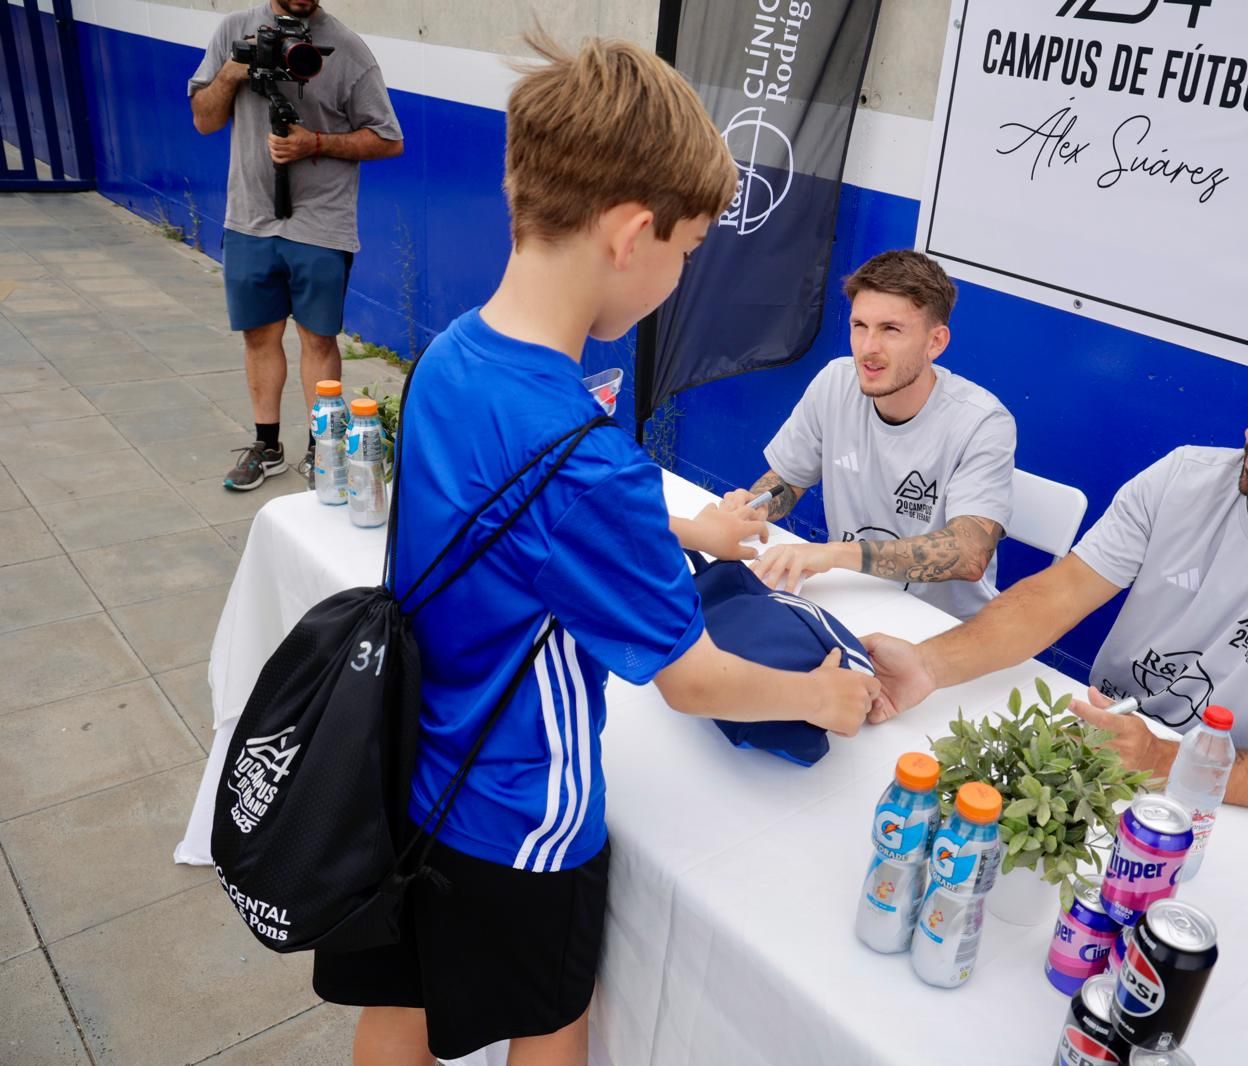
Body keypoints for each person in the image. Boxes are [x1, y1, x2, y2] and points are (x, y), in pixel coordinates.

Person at [309, 35, 878, 1066]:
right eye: (688, 251)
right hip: (523, 813)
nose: (677, 276)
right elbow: (693, 683)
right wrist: (819, 699)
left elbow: (515, 509)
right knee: (551, 1019)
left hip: (415, 758)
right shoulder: (589, 460)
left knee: (404, 1000)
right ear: (629, 233)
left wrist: (685, 526)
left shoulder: (450, 357)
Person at [865, 322, 1248, 823]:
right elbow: (1057, 594)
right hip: (1087, 746)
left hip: (1219, 804)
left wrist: (1163, 759)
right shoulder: (1184, 477)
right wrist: (926, 664)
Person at [721, 250, 1016, 621]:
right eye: (860, 326)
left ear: (935, 342)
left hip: (943, 631)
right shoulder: (835, 381)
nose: (868, 348)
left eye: (890, 330)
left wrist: (832, 554)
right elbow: (787, 481)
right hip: (849, 604)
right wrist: (755, 505)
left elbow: (970, 553)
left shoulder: (982, 422)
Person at [188, 0, 404, 491]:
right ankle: (267, 446)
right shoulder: (234, 31)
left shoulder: (347, 49)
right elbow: (203, 120)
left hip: (321, 223)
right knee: (259, 335)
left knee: (318, 338)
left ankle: (321, 449)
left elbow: (389, 139)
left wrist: (317, 144)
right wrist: (231, 74)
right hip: (250, 217)